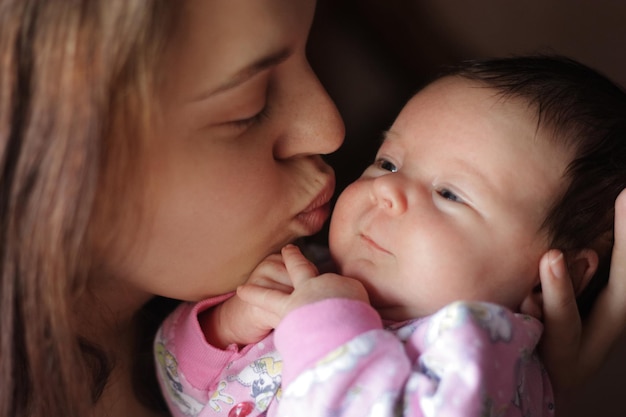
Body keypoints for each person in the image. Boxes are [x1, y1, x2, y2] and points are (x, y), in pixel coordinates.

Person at [0, 0, 625, 415]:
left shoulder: (465, 351)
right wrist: (226, 332)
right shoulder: (321, 289)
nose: (333, 129)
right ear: (61, 170)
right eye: (247, 106)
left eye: (451, 194)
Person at [154, 55, 626, 417]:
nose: (388, 192)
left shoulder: (483, 358)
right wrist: (228, 326)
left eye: (448, 193)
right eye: (388, 162)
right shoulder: (310, 269)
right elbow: (181, 394)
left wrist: (328, 329)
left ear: (550, 276)